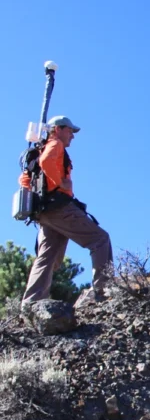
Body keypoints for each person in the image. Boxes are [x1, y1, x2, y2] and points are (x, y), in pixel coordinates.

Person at [19, 116, 112, 304]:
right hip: (59, 208)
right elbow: (46, 162)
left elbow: (24, 180)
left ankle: (31, 303)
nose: (72, 136)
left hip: (43, 213)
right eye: (70, 131)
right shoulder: (55, 145)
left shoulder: (38, 149)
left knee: (47, 257)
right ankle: (104, 292)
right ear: (58, 129)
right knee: (100, 239)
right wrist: (60, 182)